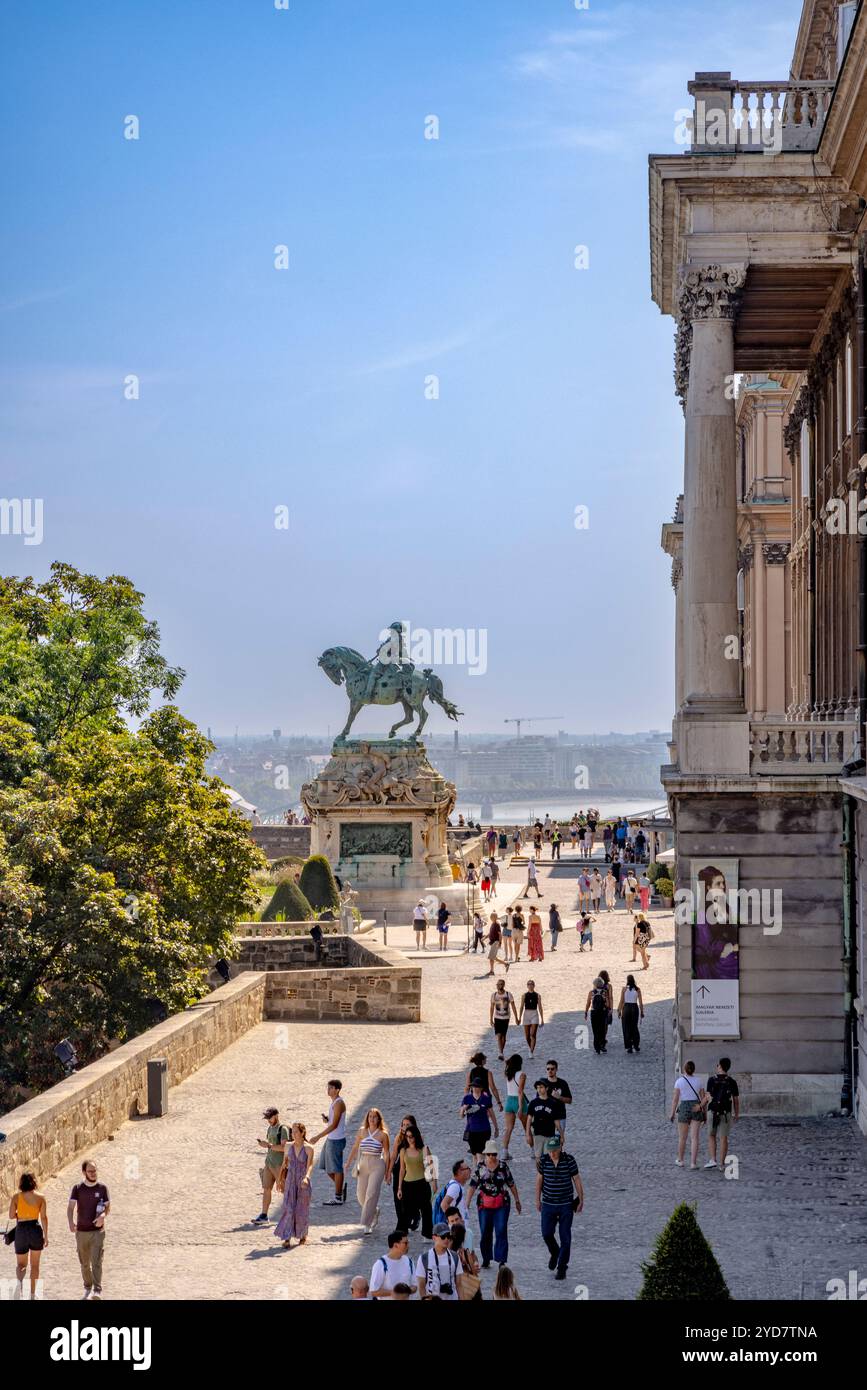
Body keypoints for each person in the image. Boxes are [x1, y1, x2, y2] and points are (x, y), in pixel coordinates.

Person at [535, 1135, 583, 1281]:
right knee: (546, 1233)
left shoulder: (569, 1160)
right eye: (550, 1150)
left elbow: (576, 1179)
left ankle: (562, 1266)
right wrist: (537, 1199)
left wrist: (581, 1199)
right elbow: (539, 1180)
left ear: (560, 1148)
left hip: (565, 1204)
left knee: (565, 1237)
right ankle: (555, 1252)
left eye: (554, 1150)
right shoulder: (543, 1161)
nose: (552, 1153)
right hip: (548, 1203)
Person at [468, 1140, 522, 1269]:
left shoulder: (503, 1167)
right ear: (486, 1154)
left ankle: (501, 1259)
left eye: (494, 1154)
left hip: (501, 1203)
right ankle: (486, 1258)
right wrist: (467, 1202)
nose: (492, 1157)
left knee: (501, 1229)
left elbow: (511, 1183)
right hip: (484, 1204)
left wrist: (517, 1200)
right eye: (489, 1154)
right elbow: (473, 1185)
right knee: (485, 1231)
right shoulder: (480, 1166)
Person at [68, 1160, 109, 1300]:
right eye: (90, 1171)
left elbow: (108, 1207)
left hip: (98, 1231)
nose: (93, 1174)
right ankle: (87, 1287)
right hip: (82, 1231)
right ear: (84, 1172)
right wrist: (70, 1222)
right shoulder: (77, 1188)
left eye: (95, 1170)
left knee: (96, 1261)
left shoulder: (102, 1188)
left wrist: (103, 1215)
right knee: (84, 1263)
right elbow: (70, 1207)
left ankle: (97, 1290)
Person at [345, 1108, 390, 1234]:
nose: (372, 1119)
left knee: (371, 1193)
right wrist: (348, 1163)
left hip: (377, 1164)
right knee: (361, 1195)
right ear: (367, 1118)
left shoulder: (383, 1134)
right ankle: (374, 1211)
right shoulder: (362, 1131)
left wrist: (387, 1171)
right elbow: (355, 1147)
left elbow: (386, 1153)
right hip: (363, 1163)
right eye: (370, 1116)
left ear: (379, 1119)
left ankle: (367, 1224)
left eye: (375, 1117)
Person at [275, 1121, 314, 1248]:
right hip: (290, 1180)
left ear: (302, 1133)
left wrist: (307, 1177)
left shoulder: (308, 1148)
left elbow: (310, 1165)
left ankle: (303, 1235)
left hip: (302, 1181)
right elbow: (284, 1163)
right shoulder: (288, 1146)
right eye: (292, 1131)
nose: (293, 1134)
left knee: (301, 1210)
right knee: (288, 1208)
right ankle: (286, 1237)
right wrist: (280, 1180)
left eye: (296, 1131)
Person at [8, 1173, 47, 1301]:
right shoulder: (40, 1197)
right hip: (35, 1229)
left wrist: (20, 1212)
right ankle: (32, 1294)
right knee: (35, 1265)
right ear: (34, 1182)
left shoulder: (16, 1197)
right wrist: (46, 1236)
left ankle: (19, 1284)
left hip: (21, 1230)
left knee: (21, 1264)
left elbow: (11, 1215)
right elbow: (43, 1217)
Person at [311, 1080, 347, 1205]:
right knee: (326, 1166)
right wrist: (327, 1119)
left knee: (336, 1168)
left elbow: (335, 1125)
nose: (328, 1090)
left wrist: (318, 1136)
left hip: (336, 1139)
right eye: (328, 1087)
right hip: (332, 1139)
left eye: (331, 1088)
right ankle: (340, 1189)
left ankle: (338, 1197)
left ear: (337, 1089)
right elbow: (333, 1122)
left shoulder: (339, 1103)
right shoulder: (334, 1103)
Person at [397, 1122, 434, 1239]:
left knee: (426, 1210)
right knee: (405, 1211)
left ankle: (427, 1234)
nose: (409, 1139)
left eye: (411, 1136)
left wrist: (434, 1184)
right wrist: (399, 1187)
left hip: (422, 1183)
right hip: (407, 1184)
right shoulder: (403, 1150)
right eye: (407, 1136)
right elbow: (402, 1170)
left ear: (416, 1136)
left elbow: (431, 1167)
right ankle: (402, 1234)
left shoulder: (424, 1149)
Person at [253, 1106, 290, 1223]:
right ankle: (264, 1215)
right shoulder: (270, 1128)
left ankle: (290, 1214)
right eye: (267, 1118)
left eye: (270, 1117)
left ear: (276, 1116)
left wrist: (268, 1145)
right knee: (266, 1189)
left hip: (280, 1165)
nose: (268, 1120)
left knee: (285, 1190)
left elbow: (284, 1147)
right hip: (269, 1163)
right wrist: (265, 1145)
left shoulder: (282, 1129)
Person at [704, 1058, 740, 1170]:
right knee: (723, 1138)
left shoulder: (711, 1080)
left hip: (713, 1111)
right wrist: (736, 1114)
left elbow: (707, 1096)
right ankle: (722, 1164)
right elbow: (735, 1099)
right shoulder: (732, 1082)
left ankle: (713, 1159)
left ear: (720, 1066)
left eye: (717, 1065)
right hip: (726, 1112)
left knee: (711, 1135)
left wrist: (703, 1109)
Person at [670, 1061, 706, 1169]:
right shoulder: (699, 1081)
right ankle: (693, 1163)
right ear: (694, 1069)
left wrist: (672, 1113)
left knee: (682, 1137)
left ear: (684, 1069)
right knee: (695, 1138)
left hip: (684, 1107)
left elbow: (675, 1100)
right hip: (696, 1106)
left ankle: (680, 1160)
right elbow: (703, 1098)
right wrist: (703, 1111)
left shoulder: (679, 1081)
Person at [415, 1224, 462, 1300]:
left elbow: (459, 1285)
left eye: (448, 1236)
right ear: (434, 1238)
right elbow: (421, 1286)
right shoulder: (424, 1258)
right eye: (443, 1236)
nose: (446, 1239)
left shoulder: (455, 1257)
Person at [388, 1114, 418, 1226]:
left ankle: (415, 1216)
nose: (405, 1127)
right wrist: (388, 1172)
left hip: (411, 1170)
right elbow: (394, 1155)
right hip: (398, 1170)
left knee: (410, 1197)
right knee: (397, 1197)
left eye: (408, 1125)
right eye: (403, 1124)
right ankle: (402, 1223)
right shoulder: (399, 1137)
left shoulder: (417, 1137)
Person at [370, 1229, 414, 1299]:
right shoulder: (380, 1264)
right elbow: (374, 1291)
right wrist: (394, 1293)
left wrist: (406, 1291)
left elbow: (414, 1286)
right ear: (396, 1245)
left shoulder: (409, 1262)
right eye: (405, 1243)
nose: (408, 1246)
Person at [460, 1082, 496, 1157]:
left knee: (480, 1154)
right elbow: (461, 1116)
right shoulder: (467, 1098)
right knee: (475, 1155)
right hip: (471, 1130)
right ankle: (477, 1168)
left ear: (481, 1088)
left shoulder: (486, 1099)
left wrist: (496, 1127)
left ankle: (480, 1168)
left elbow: (492, 1114)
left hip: (484, 1130)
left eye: (477, 1086)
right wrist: (464, 1108)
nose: (475, 1088)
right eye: (473, 1086)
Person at [502, 1054, 528, 1157]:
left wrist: (507, 1062)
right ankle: (533, 1150)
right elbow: (520, 1091)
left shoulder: (508, 1074)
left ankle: (504, 1152)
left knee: (508, 1129)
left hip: (509, 1101)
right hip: (518, 1101)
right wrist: (521, 1107)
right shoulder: (522, 1075)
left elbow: (506, 1064)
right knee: (526, 1127)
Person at [526, 1078, 559, 1158]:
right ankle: (539, 1171)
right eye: (537, 1088)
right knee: (538, 1157)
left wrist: (561, 1134)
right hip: (537, 1134)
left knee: (548, 1157)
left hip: (550, 1134)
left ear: (546, 1088)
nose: (539, 1090)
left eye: (541, 1087)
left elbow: (556, 1120)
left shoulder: (553, 1103)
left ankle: (545, 1170)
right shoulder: (533, 1103)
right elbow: (529, 1119)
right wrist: (528, 1134)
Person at [490, 978, 519, 1060]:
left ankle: (501, 1052)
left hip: (506, 1018)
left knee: (504, 1037)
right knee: (499, 1035)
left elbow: (513, 1006)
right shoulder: (494, 995)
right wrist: (491, 1019)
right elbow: (492, 1007)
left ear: (503, 985)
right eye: (498, 984)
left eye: (500, 984)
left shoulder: (508, 994)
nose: (499, 986)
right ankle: (500, 1052)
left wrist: (516, 1018)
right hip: (497, 1017)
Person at [543, 1061, 572, 1141]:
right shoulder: (543, 1083)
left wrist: (560, 1097)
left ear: (556, 1070)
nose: (550, 1071)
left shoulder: (562, 1083)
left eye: (552, 1069)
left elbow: (569, 1100)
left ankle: (559, 1153)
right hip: (546, 1116)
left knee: (559, 1140)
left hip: (560, 1116)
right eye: (548, 1069)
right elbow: (537, 1100)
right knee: (547, 1140)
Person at [617, 974, 644, 1054]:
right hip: (634, 1008)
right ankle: (636, 1045)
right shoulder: (638, 989)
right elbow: (641, 1003)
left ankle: (629, 1046)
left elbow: (621, 1001)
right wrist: (642, 1012)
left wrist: (619, 1010)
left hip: (626, 1008)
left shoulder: (624, 989)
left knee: (626, 1027)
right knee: (634, 1027)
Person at [439, 1158, 472, 1224]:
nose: (470, 1170)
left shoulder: (457, 1185)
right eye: (467, 1168)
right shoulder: (455, 1187)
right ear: (460, 1172)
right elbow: (444, 1205)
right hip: (457, 1230)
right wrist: (454, 1222)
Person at [519, 980, 544, 1059]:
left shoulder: (538, 995)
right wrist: (519, 1017)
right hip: (526, 1014)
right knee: (527, 1036)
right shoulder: (524, 995)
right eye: (529, 984)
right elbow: (521, 1006)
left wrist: (542, 1018)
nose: (530, 985)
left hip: (534, 1014)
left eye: (532, 984)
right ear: (527, 986)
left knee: (532, 1034)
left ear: (534, 985)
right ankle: (530, 1048)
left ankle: (531, 1051)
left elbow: (540, 1007)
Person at [585, 976, 609, 1054]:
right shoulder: (605, 992)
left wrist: (586, 1012)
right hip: (602, 1012)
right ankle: (602, 1045)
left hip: (594, 1012)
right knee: (602, 1029)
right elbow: (607, 1003)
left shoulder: (591, 992)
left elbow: (588, 1003)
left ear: (595, 984)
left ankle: (597, 1047)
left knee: (595, 1030)